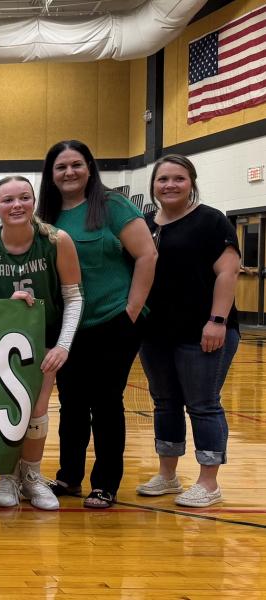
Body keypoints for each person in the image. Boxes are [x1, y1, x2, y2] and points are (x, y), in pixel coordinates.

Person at [36, 140, 157, 509]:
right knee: (71, 403)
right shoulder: (47, 214)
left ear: (89, 167)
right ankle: (69, 476)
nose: (69, 172)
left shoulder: (112, 205)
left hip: (112, 321)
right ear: (51, 174)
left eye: (76, 165)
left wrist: (131, 311)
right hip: (68, 327)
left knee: (106, 403)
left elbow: (147, 255)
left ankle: (105, 483)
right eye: (61, 167)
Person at [0, 176, 82, 511]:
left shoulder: (57, 240)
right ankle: (7, 476)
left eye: (24, 198)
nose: (17, 205)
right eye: (8, 200)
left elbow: (73, 297)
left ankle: (31, 476)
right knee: (6, 413)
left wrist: (63, 345)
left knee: (37, 412)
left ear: (34, 202)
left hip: (43, 342)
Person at [135, 154, 239, 508]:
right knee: (165, 403)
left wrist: (217, 321)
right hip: (156, 333)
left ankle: (208, 482)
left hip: (203, 331)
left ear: (191, 182)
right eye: (163, 179)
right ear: (153, 185)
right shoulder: (145, 223)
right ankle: (167, 475)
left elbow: (228, 272)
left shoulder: (211, 221)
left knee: (203, 404)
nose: (170, 185)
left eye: (178, 178)